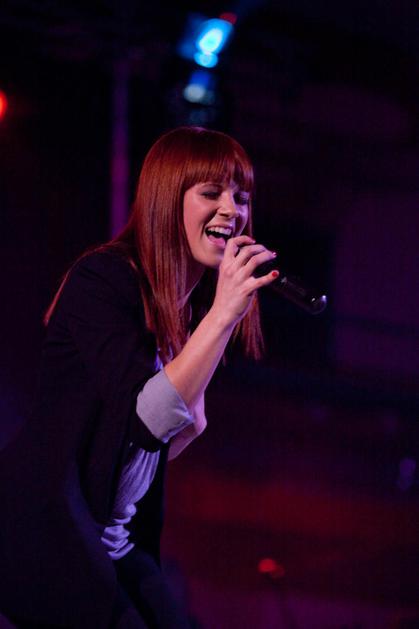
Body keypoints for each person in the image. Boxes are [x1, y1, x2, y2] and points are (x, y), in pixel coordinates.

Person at [0, 126, 278, 628]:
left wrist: (214, 322)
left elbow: (171, 436)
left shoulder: (181, 315)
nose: (231, 210)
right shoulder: (104, 279)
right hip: (47, 530)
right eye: (211, 193)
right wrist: (223, 315)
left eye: (241, 198)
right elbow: (146, 422)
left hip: (115, 538)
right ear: (168, 199)